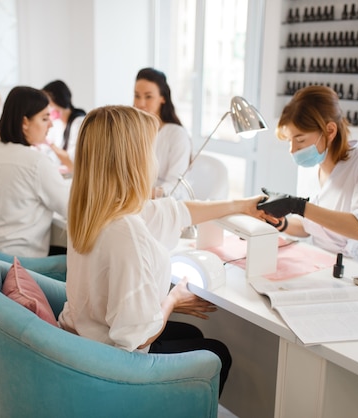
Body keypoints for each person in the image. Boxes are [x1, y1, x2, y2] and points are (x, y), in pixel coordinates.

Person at [58, 105, 269, 398]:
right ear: (133, 160)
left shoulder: (91, 209)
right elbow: (138, 337)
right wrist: (172, 299)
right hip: (112, 369)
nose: (155, 162)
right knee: (217, 353)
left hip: (79, 342)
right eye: (151, 151)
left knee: (192, 335)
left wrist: (241, 205)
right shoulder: (126, 233)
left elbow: (177, 211)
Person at [258, 85, 358, 267]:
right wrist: (282, 223)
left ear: (329, 131)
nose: (293, 149)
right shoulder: (309, 167)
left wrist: (298, 206)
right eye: (290, 140)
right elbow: (308, 226)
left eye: (300, 139)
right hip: (318, 262)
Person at [0, 86, 70, 257]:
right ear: (25, 123)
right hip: (17, 265)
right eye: (45, 118)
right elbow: (72, 209)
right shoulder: (37, 163)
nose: (51, 124)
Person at [133, 67, 191, 198]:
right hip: (138, 202)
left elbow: (176, 185)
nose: (141, 103)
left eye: (148, 97)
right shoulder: (132, 131)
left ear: (163, 98)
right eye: (137, 96)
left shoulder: (177, 135)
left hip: (167, 204)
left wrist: (143, 195)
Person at [42, 80, 86, 172]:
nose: (47, 107)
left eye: (49, 103)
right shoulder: (57, 124)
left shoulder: (79, 122)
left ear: (59, 100)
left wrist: (50, 143)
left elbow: (72, 161)